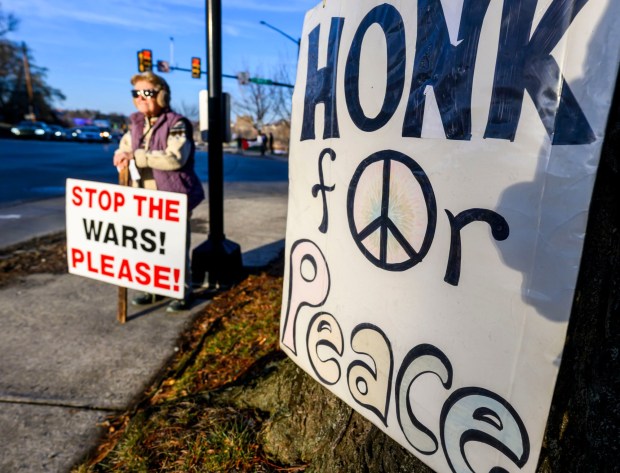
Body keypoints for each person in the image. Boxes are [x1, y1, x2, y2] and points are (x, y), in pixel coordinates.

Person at [113, 71, 204, 312]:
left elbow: (175, 158)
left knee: (174, 247)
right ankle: (152, 289)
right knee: (146, 247)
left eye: (147, 93)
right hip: (141, 198)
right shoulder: (135, 123)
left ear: (161, 96)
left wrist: (137, 156)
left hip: (171, 197)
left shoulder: (177, 123)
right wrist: (120, 156)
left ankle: (182, 291)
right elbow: (124, 147)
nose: (141, 98)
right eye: (136, 93)